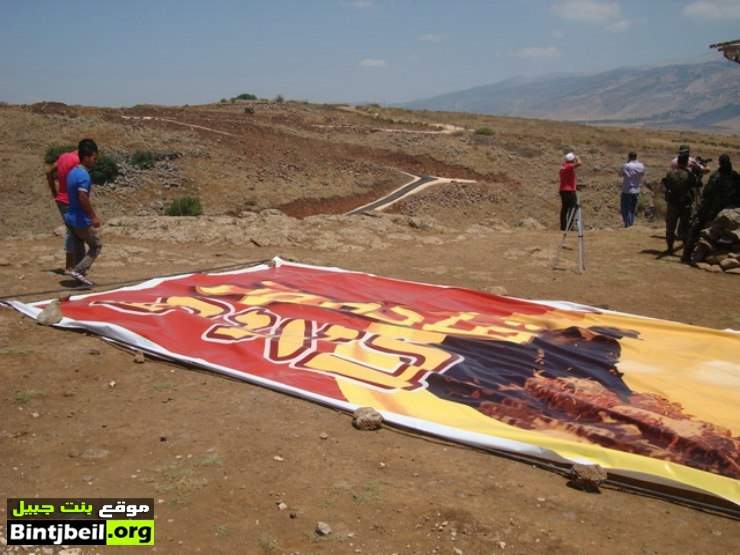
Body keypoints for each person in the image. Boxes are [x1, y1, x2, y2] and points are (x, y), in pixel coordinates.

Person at [681, 154, 740, 263]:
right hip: (728, 210)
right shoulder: (734, 176)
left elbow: (707, 193)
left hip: (712, 209)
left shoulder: (716, 176)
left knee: (696, 229)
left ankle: (687, 255)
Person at [64, 139, 101, 286]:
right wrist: (93, 216)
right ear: (86, 157)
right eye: (94, 158)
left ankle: (79, 278)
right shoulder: (84, 176)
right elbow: (82, 197)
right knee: (96, 245)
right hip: (80, 219)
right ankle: (79, 270)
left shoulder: (72, 172)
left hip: (70, 216)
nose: (95, 161)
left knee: (79, 245)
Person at [46, 147, 80, 272]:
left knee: (72, 231)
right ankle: (71, 266)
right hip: (71, 201)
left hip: (61, 199)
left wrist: (54, 190)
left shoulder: (64, 156)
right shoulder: (78, 161)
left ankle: (72, 265)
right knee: (73, 232)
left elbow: (49, 171)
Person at [661, 151, 699, 254]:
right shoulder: (690, 175)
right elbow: (697, 185)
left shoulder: (670, 173)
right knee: (685, 227)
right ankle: (686, 251)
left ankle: (670, 248)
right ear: (687, 163)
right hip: (685, 204)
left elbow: (665, 184)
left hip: (673, 203)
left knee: (670, 227)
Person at [618, 152, 645, 227]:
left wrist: (627, 163)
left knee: (626, 208)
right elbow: (642, 174)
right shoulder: (641, 165)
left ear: (629, 157)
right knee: (632, 208)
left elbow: (620, 174)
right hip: (637, 189)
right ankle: (631, 224)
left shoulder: (627, 165)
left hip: (627, 190)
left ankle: (628, 224)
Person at [559, 152, 581, 231]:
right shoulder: (569, 166)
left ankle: (564, 226)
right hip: (569, 191)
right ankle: (570, 226)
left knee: (565, 209)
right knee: (573, 209)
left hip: (563, 190)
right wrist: (577, 157)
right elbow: (579, 163)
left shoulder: (563, 166)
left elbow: (567, 179)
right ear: (572, 160)